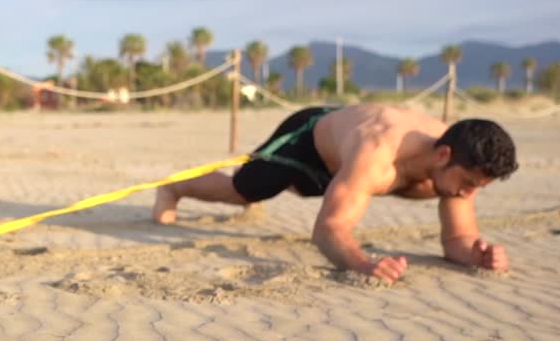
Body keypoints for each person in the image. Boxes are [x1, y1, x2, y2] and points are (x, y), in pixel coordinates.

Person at [152, 104, 518, 283]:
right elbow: (327, 231)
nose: (468, 193)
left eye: (477, 187)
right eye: (469, 184)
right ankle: (173, 187)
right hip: (308, 142)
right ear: (443, 156)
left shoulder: (460, 165)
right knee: (244, 191)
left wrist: (476, 255)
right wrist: (362, 264)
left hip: (343, 163)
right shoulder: (378, 153)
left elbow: (456, 239)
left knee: (324, 189)